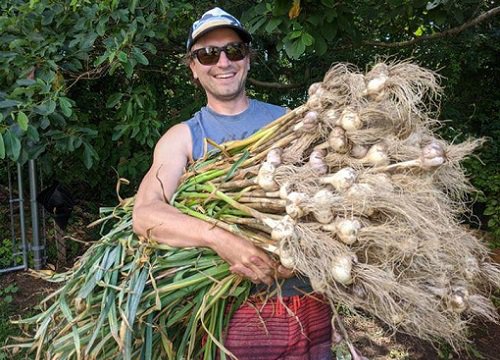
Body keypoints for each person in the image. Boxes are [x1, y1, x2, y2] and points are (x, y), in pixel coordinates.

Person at [132, 7, 332, 359]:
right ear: (193, 68)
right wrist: (221, 239)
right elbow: (146, 215)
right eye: (208, 54)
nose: (223, 61)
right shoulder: (183, 138)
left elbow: (330, 203)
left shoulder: (292, 123)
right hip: (235, 313)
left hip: (307, 296)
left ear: (248, 60)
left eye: (233, 50)